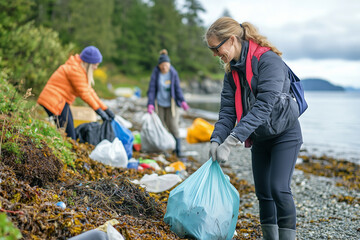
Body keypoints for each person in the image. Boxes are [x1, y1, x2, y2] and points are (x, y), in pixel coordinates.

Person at [206, 17, 303, 240]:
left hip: (285, 134)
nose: (214, 54)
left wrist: (230, 142)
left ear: (231, 40)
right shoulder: (232, 72)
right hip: (260, 137)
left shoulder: (269, 61)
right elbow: (228, 111)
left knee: (278, 188)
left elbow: (263, 108)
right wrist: (216, 139)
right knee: (264, 194)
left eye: (216, 48)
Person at [37, 46, 115, 140]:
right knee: (69, 135)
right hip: (54, 101)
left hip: (59, 101)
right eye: (95, 65)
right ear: (89, 63)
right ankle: (60, 150)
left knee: (68, 134)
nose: (96, 68)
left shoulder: (78, 68)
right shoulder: (75, 70)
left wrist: (105, 109)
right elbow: (84, 94)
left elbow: (90, 91)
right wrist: (98, 111)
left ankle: (61, 148)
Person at [147, 49, 190, 157]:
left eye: (167, 65)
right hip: (159, 104)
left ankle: (178, 150)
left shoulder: (173, 73)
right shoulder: (156, 73)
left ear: (169, 64)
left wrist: (182, 101)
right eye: (163, 65)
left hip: (171, 104)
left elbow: (177, 89)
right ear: (159, 65)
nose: (165, 67)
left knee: (173, 126)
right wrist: (150, 103)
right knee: (161, 126)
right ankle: (164, 149)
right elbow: (152, 89)